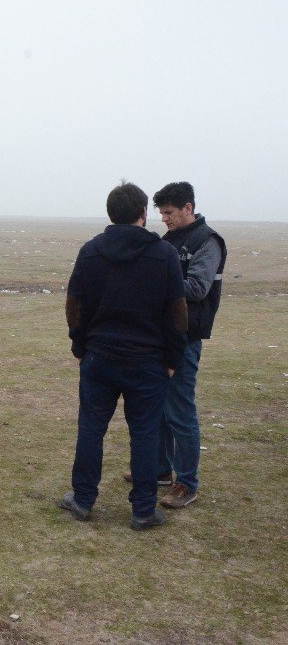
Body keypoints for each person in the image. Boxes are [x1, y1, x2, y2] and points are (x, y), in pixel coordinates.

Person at [59, 182, 187, 530]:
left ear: (111, 214)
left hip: (100, 357)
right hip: (148, 362)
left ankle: (83, 499)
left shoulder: (91, 251)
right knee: (145, 434)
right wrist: (174, 358)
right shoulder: (164, 255)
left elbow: (74, 305)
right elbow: (177, 314)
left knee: (91, 429)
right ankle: (143, 510)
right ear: (144, 214)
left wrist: (80, 345)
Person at [149, 182, 227, 509]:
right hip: (162, 335)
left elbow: (196, 287)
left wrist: (153, 282)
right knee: (160, 408)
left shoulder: (207, 242)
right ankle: (162, 470)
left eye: (169, 213)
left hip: (186, 336)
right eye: (161, 214)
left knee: (180, 409)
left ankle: (187, 482)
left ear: (188, 208)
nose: (164, 219)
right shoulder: (170, 240)